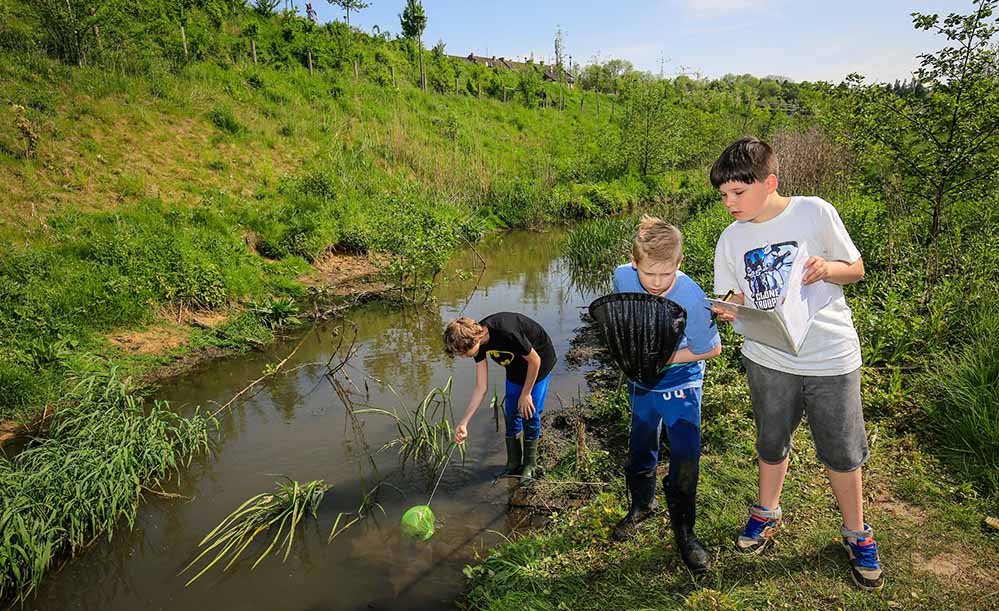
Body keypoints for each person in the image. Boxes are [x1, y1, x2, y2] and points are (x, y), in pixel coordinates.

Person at [709, 136, 883, 590]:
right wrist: (729, 306)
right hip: (766, 357)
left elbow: (857, 268)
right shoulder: (730, 238)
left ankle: (856, 532)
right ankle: (766, 512)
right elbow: (735, 293)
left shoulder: (814, 211)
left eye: (738, 193)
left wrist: (828, 268)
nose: (729, 203)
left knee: (843, 451)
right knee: (771, 440)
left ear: (770, 182)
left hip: (830, 355)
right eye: (723, 195)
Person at [610, 216, 722, 573]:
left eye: (666, 274)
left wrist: (662, 357)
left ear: (680, 263)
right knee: (640, 446)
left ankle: (685, 534)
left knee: (686, 457)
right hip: (642, 384)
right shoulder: (622, 276)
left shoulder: (691, 296)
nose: (657, 284)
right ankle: (642, 506)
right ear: (633, 263)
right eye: (648, 274)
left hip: (681, 381)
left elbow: (711, 350)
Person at [444, 313, 557, 485]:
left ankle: (529, 465)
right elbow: (481, 387)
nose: (463, 356)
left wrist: (526, 394)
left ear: (475, 340)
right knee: (511, 412)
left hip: (538, 364)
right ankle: (513, 463)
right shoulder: (477, 341)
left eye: (464, 353)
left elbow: (535, 360)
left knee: (530, 413)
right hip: (515, 366)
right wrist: (464, 423)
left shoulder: (506, 332)